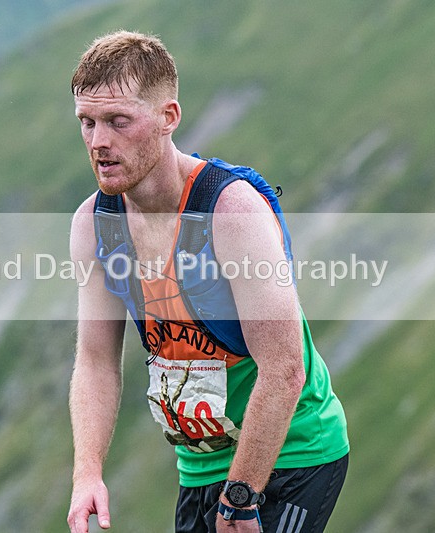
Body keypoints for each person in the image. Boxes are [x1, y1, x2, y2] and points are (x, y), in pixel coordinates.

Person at [67, 30, 349, 533]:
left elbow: (284, 371)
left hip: (292, 453)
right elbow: (94, 361)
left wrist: (241, 499)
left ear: (167, 118)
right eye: (86, 122)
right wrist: (87, 473)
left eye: (118, 121)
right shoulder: (95, 224)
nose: (98, 142)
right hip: (200, 466)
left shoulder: (231, 211)